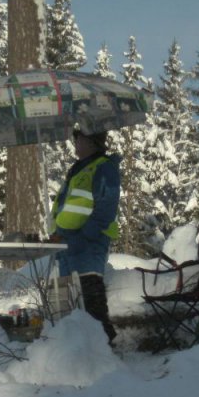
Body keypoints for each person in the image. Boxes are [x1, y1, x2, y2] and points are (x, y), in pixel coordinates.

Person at [49, 128, 120, 344]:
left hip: (89, 242)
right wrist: (57, 232)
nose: (75, 144)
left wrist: (86, 235)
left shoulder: (104, 167)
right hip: (67, 244)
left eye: (78, 139)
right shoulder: (77, 169)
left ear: (91, 142)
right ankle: (78, 348)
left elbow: (107, 206)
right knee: (69, 299)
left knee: (90, 295)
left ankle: (105, 345)